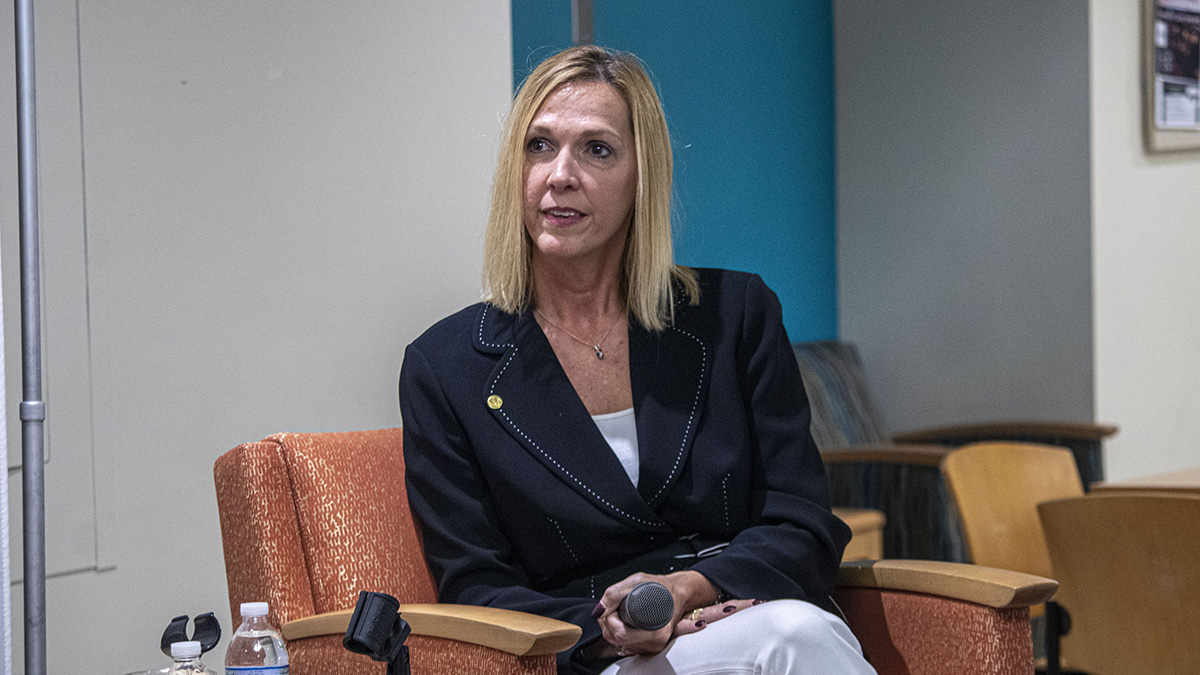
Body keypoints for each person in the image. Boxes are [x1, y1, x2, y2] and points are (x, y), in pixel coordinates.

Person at [399, 45, 875, 675]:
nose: (559, 174)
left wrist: (695, 589)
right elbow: (475, 588)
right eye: (539, 145)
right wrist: (610, 631)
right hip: (596, 658)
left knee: (788, 630)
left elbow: (803, 524)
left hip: (740, 613)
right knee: (792, 636)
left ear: (641, 176)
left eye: (596, 149)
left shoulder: (735, 315)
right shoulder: (446, 366)